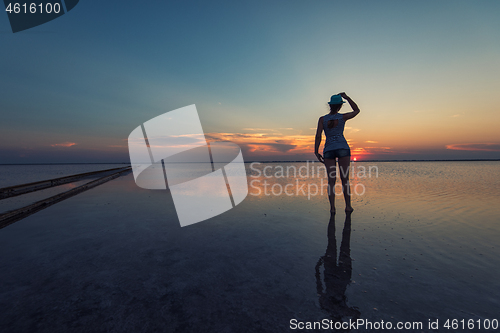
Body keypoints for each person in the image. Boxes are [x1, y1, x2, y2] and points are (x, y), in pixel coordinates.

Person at [314, 92, 360, 213]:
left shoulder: (322, 119)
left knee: (331, 181)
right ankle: (348, 206)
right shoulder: (342, 117)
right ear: (339, 106)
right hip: (342, 149)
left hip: (328, 150)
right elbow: (356, 110)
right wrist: (347, 97)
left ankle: (333, 208)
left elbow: (318, 136)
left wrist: (316, 151)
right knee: (345, 179)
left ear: (330, 105)